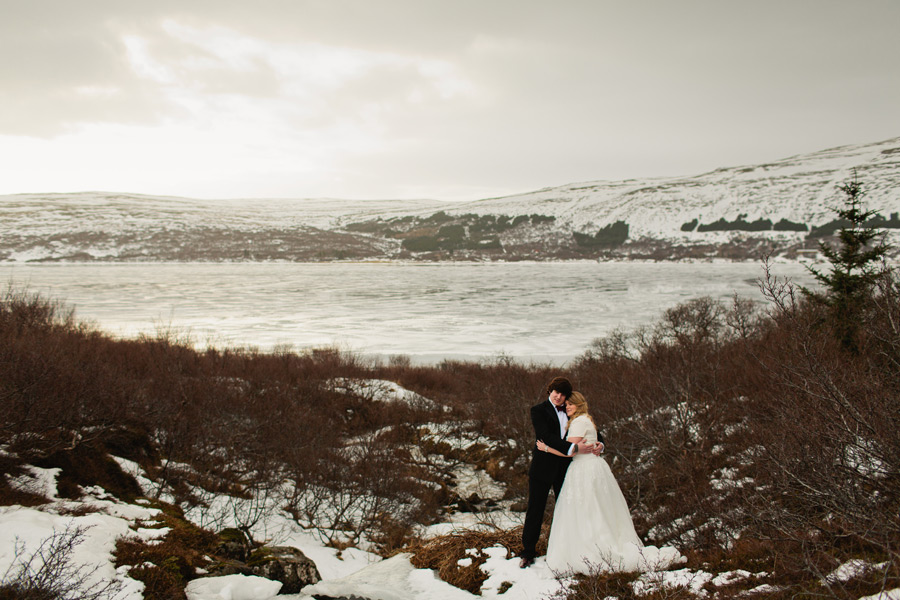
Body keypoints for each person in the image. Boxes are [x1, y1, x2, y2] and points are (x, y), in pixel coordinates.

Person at [537, 391, 683, 574]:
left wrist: (547, 448)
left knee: (587, 509)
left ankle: (591, 550)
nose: (567, 407)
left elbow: (570, 451)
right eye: (566, 405)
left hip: (584, 470)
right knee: (597, 507)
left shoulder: (579, 422)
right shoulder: (586, 420)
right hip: (592, 466)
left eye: (570, 404)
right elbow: (588, 443)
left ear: (579, 405)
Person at [519, 377, 603, 569]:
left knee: (568, 509)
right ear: (549, 391)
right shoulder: (538, 410)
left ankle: (569, 550)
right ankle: (528, 553)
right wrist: (573, 447)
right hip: (542, 467)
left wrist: (600, 444)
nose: (558, 397)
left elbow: (592, 429)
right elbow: (545, 437)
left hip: (567, 469)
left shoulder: (571, 409)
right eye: (556, 392)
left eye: (562, 394)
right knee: (535, 509)